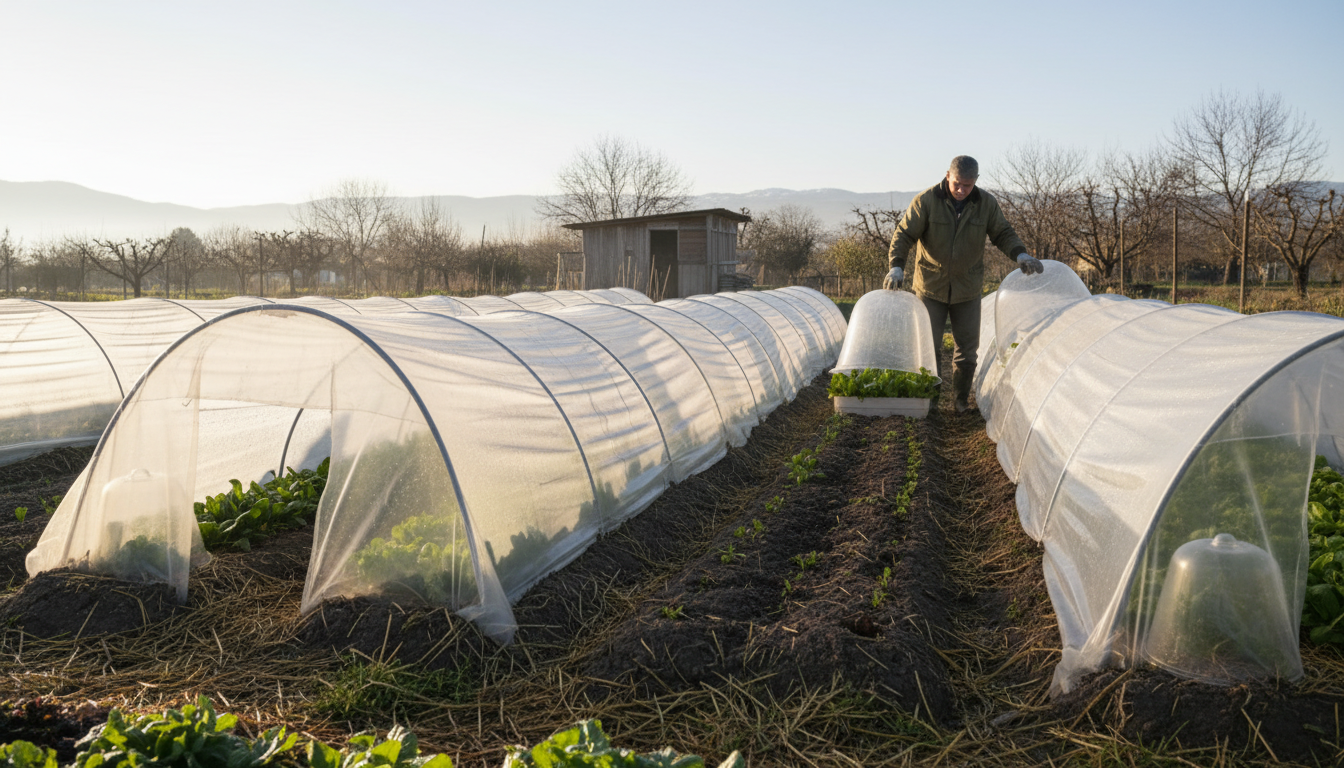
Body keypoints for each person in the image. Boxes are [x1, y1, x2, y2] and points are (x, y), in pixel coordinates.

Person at [883, 155, 1043, 412]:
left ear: (975, 182)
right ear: (948, 175)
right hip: (930, 286)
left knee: (967, 352)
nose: (961, 190)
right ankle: (929, 402)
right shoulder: (926, 201)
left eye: (967, 185)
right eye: (957, 183)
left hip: (967, 288)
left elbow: (1002, 233)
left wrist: (1020, 253)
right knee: (928, 348)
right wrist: (896, 266)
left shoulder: (985, 204)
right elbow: (904, 233)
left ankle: (960, 401)